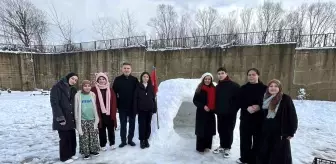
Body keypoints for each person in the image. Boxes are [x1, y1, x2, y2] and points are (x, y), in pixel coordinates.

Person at [257, 79, 298, 164]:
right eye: (271, 86)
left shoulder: (286, 99)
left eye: (276, 86)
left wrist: (291, 132)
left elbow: (292, 116)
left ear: (280, 88)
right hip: (266, 131)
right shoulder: (265, 98)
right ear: (268, 88)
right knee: (265, 154)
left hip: (280, 133)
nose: (273, 88)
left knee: (279, 156)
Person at [237, 68, 267, 164]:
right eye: (249, 75)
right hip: (246, 118)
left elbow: (269, 102)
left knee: (258, 140)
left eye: (253, 74)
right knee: (245, 140)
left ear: (258, 75)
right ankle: (244, 158)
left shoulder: (265, 88)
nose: (251, 76)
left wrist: (260, 107)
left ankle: (255, 160)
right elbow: (238, 101)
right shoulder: (243, 88)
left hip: (260, 119)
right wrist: (246, 107)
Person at [50, 72, 79, 163]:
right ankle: (64, 157)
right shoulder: (57, 87)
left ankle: (71, 154)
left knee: (71, 136)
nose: (74, 81)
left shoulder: (73, 89)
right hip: (63, 116)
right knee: (64, 138)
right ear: (68, 77)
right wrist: (60, 117)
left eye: (75, 80)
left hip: (71, 116)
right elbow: (55, 103)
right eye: (72, 79)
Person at [213, 67, 240, 158]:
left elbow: (238, 100)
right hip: (220, 113)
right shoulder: (217, 87)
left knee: (228, 130)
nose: (220, 75)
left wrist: (233, 110)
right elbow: (215, 100)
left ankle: (228, 147)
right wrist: (216, 110)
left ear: (226, 74)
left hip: (230, 114)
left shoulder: (234, 85)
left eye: (222, 73)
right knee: (221, 129)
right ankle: (222, 145)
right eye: (219, 73)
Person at [112, 62, 139, 147]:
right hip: (122, 106)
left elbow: (138, 93)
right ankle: (123, 141)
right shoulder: (117, 79)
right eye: (125, 68)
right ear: (122, 69)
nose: (126, 70)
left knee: (132, 124)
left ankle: (130, 140)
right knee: (123, 124)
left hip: (132, 106)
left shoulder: (135, 80)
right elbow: (113, 93)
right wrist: (116, 105)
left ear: (131, 70)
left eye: (128, 68)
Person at [91, 72, 117, 151]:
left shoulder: (110, 89)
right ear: (97, 80)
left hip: (109, 113)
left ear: (106, 80)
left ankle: (112, 143)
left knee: (111, 129)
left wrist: (113, 112)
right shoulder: (93, 89)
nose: (102, 81)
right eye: (100, 79)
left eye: (103, 79)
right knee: (101, 129)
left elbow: (114, 101)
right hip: (99, 113)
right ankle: (103, 144)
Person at [74, 80, 100, 160]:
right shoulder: (78, 95)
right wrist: (76, 118)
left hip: (92, 118)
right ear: (82, 87)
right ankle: (86, 152)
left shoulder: (92, 94)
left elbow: (94, 106)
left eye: (89, 86)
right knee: (84, 136)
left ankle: (93, 150)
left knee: (93, 135)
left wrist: (96, 117)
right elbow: (76, 107)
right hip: (83, 119)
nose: (87, 87)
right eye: (85, 86)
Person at [192, 72, 216, 154]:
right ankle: (200, 148)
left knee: (209, 130)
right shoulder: (199, 88)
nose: (207, 80)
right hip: (201, 113)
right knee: (201, 130)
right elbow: (195, 101)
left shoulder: (214, 89)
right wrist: (203, 106)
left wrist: (212, 108)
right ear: (203, 79)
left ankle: (207, 146)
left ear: (211, 80)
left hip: (210, 113)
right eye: (206, 79)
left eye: (209, 79)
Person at [133, 72, 157, 149]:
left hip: (149, 109)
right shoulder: (138, 86)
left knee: (148, 125)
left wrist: (154, 108)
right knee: (142, 125)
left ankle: (146, 139)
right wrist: (136, 109)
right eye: (144, 76)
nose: (145, 78)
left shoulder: (151, 87)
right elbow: (135, 99)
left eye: (147, 77)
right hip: (141, 110)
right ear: (141, 78)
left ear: (149, 78)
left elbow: (153, 98)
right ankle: (141, 140)